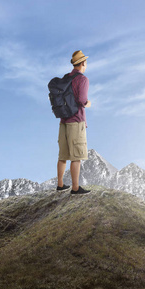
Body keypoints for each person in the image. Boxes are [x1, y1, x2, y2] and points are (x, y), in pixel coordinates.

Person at [57, 50, 91, 195]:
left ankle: (60, 185)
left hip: (63, 120)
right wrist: (88, 103)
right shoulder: (82, 79)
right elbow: (82, 100)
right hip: (76, 121)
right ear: (83, 63)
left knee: (63, 155)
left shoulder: (66, 78)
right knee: (76, 156)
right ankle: (75, 188)